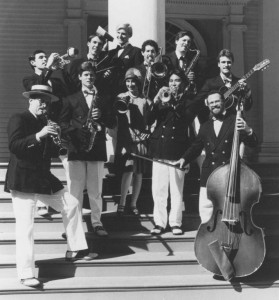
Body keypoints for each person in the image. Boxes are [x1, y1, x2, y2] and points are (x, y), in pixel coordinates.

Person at [4, 84, 97, 288]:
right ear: (30, 101)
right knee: (25, 228)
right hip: (22, 180)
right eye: (39, 100)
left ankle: (75, 248)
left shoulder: (47, 122)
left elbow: (51, 152)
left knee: (71, 204)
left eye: (46, 102)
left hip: (42, 178)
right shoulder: (19, 118)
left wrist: (60, 142)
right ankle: (26, 274)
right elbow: (15, 146)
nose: (43, 105)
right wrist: (40, 135)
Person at [176, 91, 257, 223]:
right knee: (206, 209)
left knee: (227, 210)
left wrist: (248, 130)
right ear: (208, 106)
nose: (214, 105)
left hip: (228, 173)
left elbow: (253, 143)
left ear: (223, 102)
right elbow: (196, 147)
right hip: (208, 173)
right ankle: (207, 237)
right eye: (211, 103)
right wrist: (184, 159)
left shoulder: (235, 121)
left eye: (216, 101)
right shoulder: (205, 126)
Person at [59, 62, 116, 237]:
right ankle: (72, 226)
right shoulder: (70, 99)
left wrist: (102, 117)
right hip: (76, 148)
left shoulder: (103, 98)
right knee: (75, 190)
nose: (89, 77)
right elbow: (62, 124)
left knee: (95, 190)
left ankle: (97, 223)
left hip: (96, 148)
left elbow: (113, 122)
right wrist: (75, 132)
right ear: (79, 77)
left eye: (91, 74)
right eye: (85, 74)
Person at [147, 69, 197, 236]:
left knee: (176, 189)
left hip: (178, 150)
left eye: (176, 81)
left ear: (182, 83)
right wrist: (155, 102)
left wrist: (174, 102)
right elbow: (148, 120)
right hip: (160, 148)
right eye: (171, 81)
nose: (173, 84)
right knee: (158, 189)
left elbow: (186, 118)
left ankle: (175, 222)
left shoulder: (189, 101)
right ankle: (159, 223)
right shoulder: (162, 99)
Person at [23, 49, 68, 216]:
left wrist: (62, 68)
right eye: (40, 58)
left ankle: (69, 199)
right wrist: (49, 68)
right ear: (33, 62)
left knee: (67, 161)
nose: (43, 59)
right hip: (39, 125)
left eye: (45, 57)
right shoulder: (29, 79)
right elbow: (37, 89)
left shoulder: (55, 81)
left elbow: (65, 99)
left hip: (56, 123)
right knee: (43, 162)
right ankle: (42, 202)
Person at [114, 68, 151, 216]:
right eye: (128, 82)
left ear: (138, 83)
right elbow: (116, 119)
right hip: (127, 140)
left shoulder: (145, 100)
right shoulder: (121, 97)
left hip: (140, 140)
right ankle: (122, 203)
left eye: (133, 82)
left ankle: (134, 203)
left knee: (139, 173)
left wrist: (146, 134)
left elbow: (150, 121)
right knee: (128, 170)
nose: (130, 85)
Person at [193, 49, 253, 124]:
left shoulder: (239, 82)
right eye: (223, 62)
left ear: (232, 63)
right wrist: (207, 103)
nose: (226, 65)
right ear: (218, 64)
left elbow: (247, 107)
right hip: (215, 121)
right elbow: (197, 102)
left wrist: (247, 92)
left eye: (229, 62)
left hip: (234, 122)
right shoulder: (210, 83)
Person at [106, 23, 143, 95]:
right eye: (118, 33)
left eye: (123, 34)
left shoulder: (135, 51)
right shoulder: (112, 52)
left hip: (126, 90)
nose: (120, 36)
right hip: (111, 90)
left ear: (129, 35)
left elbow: (138, 72)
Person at [165, 31, 200, 96]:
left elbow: (199, 78)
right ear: (176, 41)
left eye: (189, 42)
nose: (186, 43)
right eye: (184, 40)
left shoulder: (193, 59)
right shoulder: (166, 59)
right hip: (169, 94)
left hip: (187, 95)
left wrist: (194, 77)